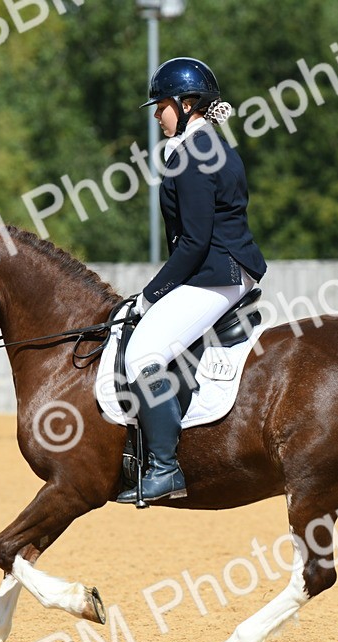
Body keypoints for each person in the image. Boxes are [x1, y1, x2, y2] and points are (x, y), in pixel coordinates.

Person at [116, 57, 268, 505]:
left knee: (143, 353)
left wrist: (150, 294)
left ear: (187, 104)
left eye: (161, 106)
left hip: (214, 274)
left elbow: (194, 242)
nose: (157, 115)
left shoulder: (194, 153)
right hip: (224, 270)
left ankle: (164, 469)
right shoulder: (213, 146)